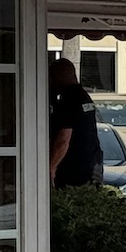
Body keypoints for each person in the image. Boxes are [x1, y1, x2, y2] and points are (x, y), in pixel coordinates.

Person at [49, 57, 103, 187]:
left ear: (57, 77)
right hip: (92, 165)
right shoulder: (83, 96)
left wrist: (51, 167)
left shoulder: (68, 101)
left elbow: (64, 138)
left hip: (73, 172)